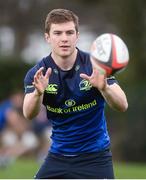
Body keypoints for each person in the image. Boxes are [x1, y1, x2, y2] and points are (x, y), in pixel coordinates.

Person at [23, 8, 128, 179]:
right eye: (57, 33)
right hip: (57, 156)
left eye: (69, 32)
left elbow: (123, 105)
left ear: (77, 36)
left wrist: (104, 88)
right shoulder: (38, 73)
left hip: (96, 158)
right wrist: (37, 94)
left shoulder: (97, 65)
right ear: (47, 37)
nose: (64, 38)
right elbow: (28, 113)